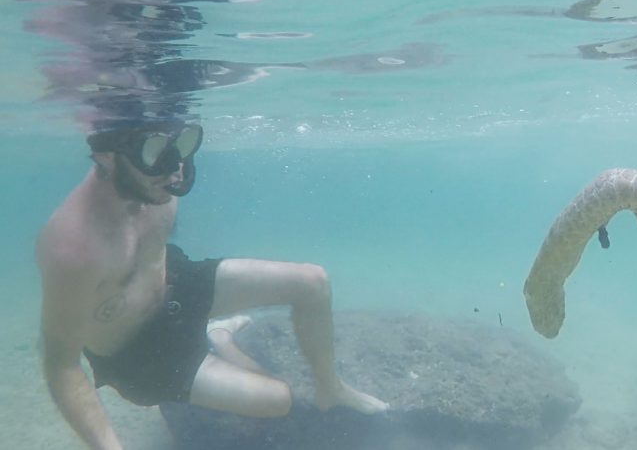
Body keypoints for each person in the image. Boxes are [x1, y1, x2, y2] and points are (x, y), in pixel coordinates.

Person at [35, 118, 388, 450]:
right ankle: (219, 337)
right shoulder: (73, 247)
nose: (174, 170)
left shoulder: (157, 184)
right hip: (137, 357)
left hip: (172, 283)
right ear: (106, 158)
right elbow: (61, 366)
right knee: (280, 400)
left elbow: (148, 251)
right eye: (154, 153)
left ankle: (331, 388)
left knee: (313, 282)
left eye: (181, 147)